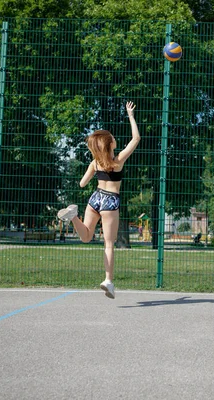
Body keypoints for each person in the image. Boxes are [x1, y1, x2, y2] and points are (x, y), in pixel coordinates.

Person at [57, 101, 141, 299]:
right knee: (109, 244)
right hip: (110, 202)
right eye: (112, 138)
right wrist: (130, 115)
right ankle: (108, 281)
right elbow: (136, 138)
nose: (114, 138)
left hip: (95, 198)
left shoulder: (96, 162)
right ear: (109, 144)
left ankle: (74, 216)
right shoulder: (117, 161)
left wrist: (94, 167)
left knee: (86, 236)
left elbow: (82, 184)